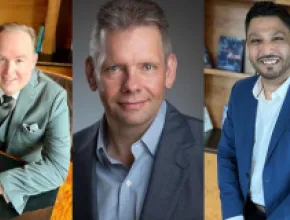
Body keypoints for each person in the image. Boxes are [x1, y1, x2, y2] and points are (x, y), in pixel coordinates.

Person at [73, 0, 203, 219]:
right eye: (114, 68)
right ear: (90, 74)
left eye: (147, 67)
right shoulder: (70, 154)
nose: (131, 85)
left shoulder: (209, 158)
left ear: (169, 71)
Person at [218, 2, 290, 220]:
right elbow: (227, 154)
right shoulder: (240, 92)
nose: (267, 50)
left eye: (277, 39)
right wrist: (233, 215)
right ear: (247, 45)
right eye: (256, 41)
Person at [0, 23, 70, 215]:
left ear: (34, 61)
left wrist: (2, 184)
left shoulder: (55, 97)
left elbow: (57, 167)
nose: (8, 72)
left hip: (25, 180)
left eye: (19, 61)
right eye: (1, 59)